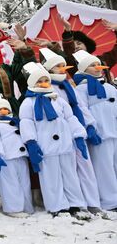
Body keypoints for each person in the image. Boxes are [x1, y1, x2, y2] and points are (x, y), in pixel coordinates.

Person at [19, 62, 88, 217]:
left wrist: (78, 136)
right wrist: (31, 143)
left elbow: (70, 119)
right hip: (46, 147)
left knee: (70, 175)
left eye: (46, 80)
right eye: (40, 81)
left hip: (65, 145)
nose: (44, 84)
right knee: (51, 178)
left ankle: (75, 203)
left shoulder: (58, 100)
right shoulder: (28, 102)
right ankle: (57, 205)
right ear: (32, 83)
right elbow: (26, 123)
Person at [39, 48, 103, 214]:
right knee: (67, 171)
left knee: (85, 167)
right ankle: (69, 203)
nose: (62, 68)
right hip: (61, 135)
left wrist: (89, 125)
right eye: (58, 66)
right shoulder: (46, 87)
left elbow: (80, 106)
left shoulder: (68, 85)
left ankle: (91, 202)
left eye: (63, 65)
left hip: (77, 130)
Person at [72, 50, 117, 211]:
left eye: (98, 64)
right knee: (104, 168)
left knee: (115, 164)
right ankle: (109, 200)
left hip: (114, 132)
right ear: (84, 69)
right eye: (92, 65)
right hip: (100, 134)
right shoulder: (81, 90)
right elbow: (82, 110)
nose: (97, 67)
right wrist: (90, 128)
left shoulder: (110, 87)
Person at [0, 94, 34, 217]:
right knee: (10, 184)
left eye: (6, 108)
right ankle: (14, 208)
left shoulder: (16, 122)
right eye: (0, 109)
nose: (3, 111)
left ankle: (27, 206)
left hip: (21, 157)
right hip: (6, 159)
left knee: (24, 182)